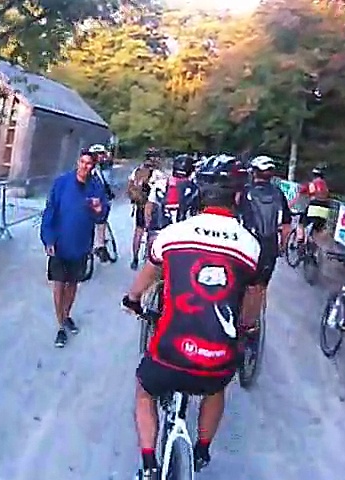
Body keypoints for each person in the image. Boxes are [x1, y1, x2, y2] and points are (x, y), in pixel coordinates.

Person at [122, 159, 262, 480]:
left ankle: (148, 465)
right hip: (215, 359)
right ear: (238, 197)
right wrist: (245, 328)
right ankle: (201, 450)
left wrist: (132, 299)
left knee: (144, 391)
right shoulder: (249, 245)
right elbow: (253, 299)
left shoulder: (173, 234)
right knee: (216, 387)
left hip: (170, 353)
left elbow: (149, 274)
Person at [40, 152, 109, 348]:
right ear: (77, 162)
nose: (85, 167)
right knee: (59, 284)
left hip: (81, 243)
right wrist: (48, 238)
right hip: (60, 242)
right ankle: (60, 325)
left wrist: (99, 210)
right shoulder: (62, 183)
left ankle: (66, 315)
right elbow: (50, 210)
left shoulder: (96, 186)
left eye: (89, 164)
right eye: (82, 162)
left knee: (72, 284)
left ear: (93, 166)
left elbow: (102, 215)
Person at [238, 155, 291, 330]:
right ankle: (251, 324)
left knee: (240, 281)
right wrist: (282, 246)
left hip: (246, 244)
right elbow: (286, 225)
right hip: (269, 246)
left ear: (254, 172)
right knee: (260, 286)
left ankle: (236, 317)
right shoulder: (279, 194)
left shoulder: (244, 192)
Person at [144, 154, 200, 255]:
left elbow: (149, 207)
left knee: (153, 257)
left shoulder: (159, 184)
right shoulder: (194, 188)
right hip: (183, 234)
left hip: (159, 228)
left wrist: (148, 226)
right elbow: (196, 213)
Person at [127, 147, 162, 270]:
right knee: (152, 232)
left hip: (139, 204)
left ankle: (134, 259)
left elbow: (130, 185)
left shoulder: (137, 170)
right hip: (151, 205)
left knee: (138, 231)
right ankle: (149, 259)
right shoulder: (157, 173)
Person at [88, 144, 116, 263]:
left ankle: (99, 245)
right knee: (100, 220)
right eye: (99, 154)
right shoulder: (93, 168)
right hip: (94, 199)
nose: (101, 157)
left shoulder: (100, 167)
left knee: (101, 220)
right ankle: (99, 246)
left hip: (99, 198)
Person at [291, 166, 330, 250]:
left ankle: (299, 239)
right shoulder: (325, 186)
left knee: (301, 223)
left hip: (314, 207)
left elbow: (298, 197)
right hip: (325, 209)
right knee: (318, 229)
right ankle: (315, 247)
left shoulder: (311, 184)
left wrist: (290, 205)